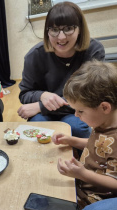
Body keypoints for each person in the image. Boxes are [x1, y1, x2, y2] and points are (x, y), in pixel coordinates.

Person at [18, 1, 105, 138]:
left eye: (68, 28)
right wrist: (42, 95)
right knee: (37, 128)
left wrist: (41, 106)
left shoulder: (94, 51)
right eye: (54, 30)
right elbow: (24, 94)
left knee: (78, 129)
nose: (61, 37)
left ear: (80, 29)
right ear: (47, 31)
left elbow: (90, 97)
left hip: (76, 111)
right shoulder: (34, 55)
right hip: (43, 115)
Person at [52, 60, 117, 210]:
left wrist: (83, 174)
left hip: (96, 197)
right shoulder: (103, 122)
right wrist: (72, 140)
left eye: (81, 111)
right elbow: (99, 146)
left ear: (104, 107)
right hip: (82, 180)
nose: (76, 115)